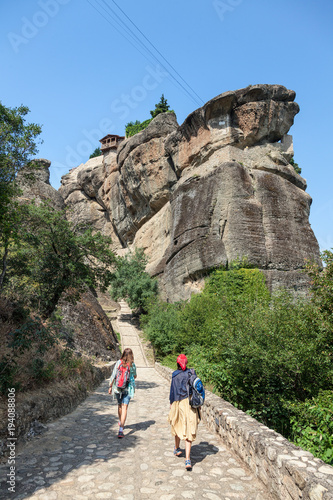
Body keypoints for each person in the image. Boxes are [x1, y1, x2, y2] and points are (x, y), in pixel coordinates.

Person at [168, 354, 201, 470]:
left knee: (177, 425)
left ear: (177, 363)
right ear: (186, 363)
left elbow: (172, 391)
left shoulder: (175, 375)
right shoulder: (191, 373)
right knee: (189, 430)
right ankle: (188, 459)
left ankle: (177, 449)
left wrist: (171, 404)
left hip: (178, 403)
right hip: (190, 405)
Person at [108, 348, 137, 438]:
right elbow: (135, 376)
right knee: (125, 407)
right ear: (131, 355)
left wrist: (110, 386)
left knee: (120, 406)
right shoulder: (132, 365)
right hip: (128, 388)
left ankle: (121, 421)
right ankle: (121, 429)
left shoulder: (118, 363)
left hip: (117, 388)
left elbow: (113, 375)